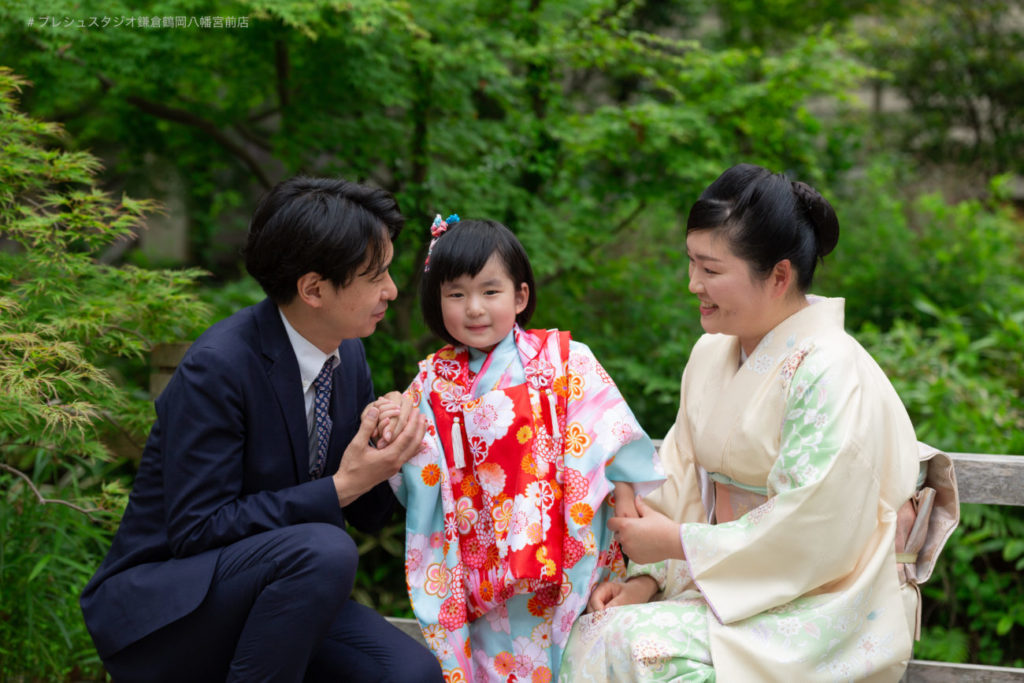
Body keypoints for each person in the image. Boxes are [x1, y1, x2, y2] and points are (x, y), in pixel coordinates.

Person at [560, 164, 941, 681]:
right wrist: (645, 581)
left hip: (824, 606)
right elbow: (678, 481)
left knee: (639, 647)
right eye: (691, 263)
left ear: (779, 276)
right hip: (733, 586)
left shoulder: (830, 368)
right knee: (594, 630)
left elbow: (811, 527)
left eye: (711, 270)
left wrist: (676, 543)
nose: (693, 283)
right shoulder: (711, 353)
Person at [79, 176, 442, 682]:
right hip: (168, 611)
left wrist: (394, 452)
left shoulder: (349, 353)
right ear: (313, 289)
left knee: (408, 673)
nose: (392, 290)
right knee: (324, 549)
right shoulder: (219, 367)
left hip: (285, 588)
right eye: (376, 275)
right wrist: (344, 484)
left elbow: (364, 513)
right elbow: (197, 529)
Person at [383, 215, 665, 681]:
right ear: (437, 301)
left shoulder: (566, 360)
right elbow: (410, 463)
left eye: (490, 292)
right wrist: (394, 419)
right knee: (492, 666)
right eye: (456, 294)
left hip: (563, 550)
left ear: (520, 296)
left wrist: (624, 513)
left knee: (570, 659)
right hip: (476, 566)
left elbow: (612, 441)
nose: (474, 308)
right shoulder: (432, 380)